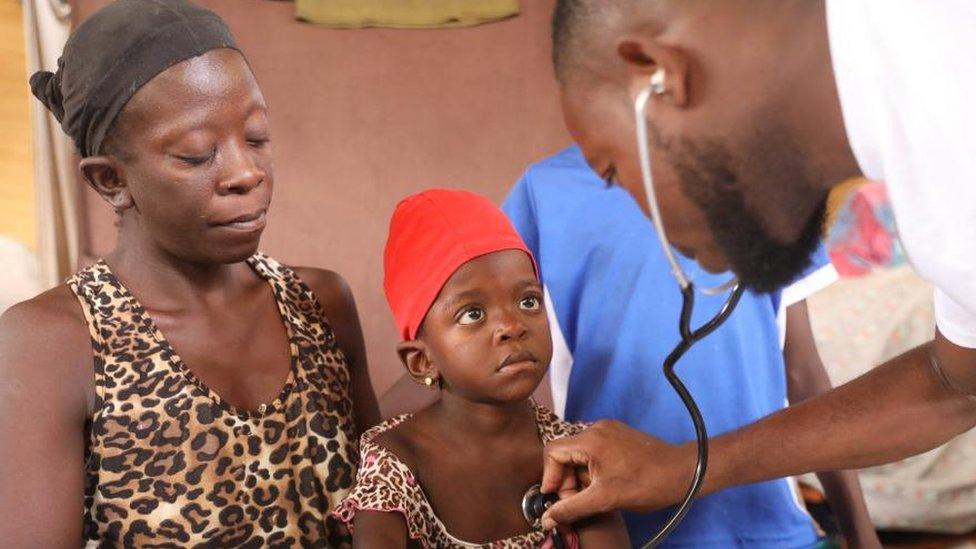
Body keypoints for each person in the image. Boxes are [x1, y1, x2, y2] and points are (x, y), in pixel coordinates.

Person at [536, 0, 976, 533]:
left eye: (611, 170)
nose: (645, 221)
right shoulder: (914, 113)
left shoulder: (951, 120)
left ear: (657, 74)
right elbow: (954, 383)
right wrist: (685, 467)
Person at [0, 1, 379, 546]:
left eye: (256, 137)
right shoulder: (55, 342)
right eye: (198, 155)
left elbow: (385, 501)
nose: (247, 173)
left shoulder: (320, 305)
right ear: (111, 181)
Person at [503, 145, 879, 547]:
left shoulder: (764, 179)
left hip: (771, 530)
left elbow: (802, 369)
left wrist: (861, 533)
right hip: (619, 532)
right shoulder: (545, 191)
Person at [333, 189, 629, 547]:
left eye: (528, 300)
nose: (512, 325)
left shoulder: (574, 450)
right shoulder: (395, 463)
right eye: (473, 313)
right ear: (422, 360)